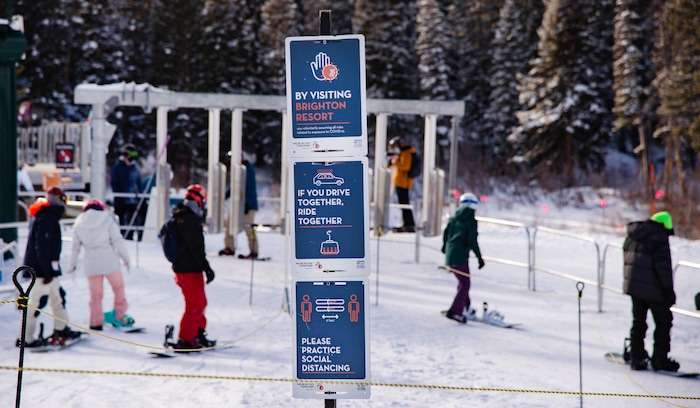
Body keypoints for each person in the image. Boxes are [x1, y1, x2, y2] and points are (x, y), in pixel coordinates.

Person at [16, 187, 82, 347]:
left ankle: (61, 328)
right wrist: (47, 271)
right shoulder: (47, 217)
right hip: (41, 271)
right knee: (36, 303)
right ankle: (25, 338)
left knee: (57, 297)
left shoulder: (48, 215)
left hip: (48, 269)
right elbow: (42, 246)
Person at [623, 211, 680, 372]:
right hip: (655, 290)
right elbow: (663, 267)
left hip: (635, 288)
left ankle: (637, 357)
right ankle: (660, 360)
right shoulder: (659, 237)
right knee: (663, 322)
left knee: (638, 322)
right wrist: (668, 290)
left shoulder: (634, 234)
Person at [67, 200, 133, 331]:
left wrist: (72, 266)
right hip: (109, 261)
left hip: (91, 263)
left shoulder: (79, 223)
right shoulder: (107, 219)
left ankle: (96, 322)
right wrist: (126, 258)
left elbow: (75, 248)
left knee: (95, 295)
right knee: (118, 288)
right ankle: (119, 316)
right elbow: (117, 240)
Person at [169, 184, 216, 351]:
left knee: (199, 303)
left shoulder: (182, 216)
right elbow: (196, 247)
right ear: (199, 201)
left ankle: (197, 332)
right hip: (188, 269)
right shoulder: (189, 219)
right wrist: (207, 268)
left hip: (188, 268)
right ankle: (186, 339)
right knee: (195, 304)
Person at [441, 192, 485, 324]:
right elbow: (472, 241)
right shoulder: (471, 221)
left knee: (462, 283)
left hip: (451, 255)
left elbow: (446, 233)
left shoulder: (454, 218)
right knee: (465, 284)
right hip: (460, 257)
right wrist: (479, 258)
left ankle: (466, 308)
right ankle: (455, 311)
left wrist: (445, 248)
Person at [219, 154, 259, 259]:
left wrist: (247, 204)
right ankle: (229, 247)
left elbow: (250, 188)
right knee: (229, 224)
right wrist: (223, 197)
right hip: (238, 204)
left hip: (247, 205)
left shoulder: (247, 170)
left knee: (249, 228)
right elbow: (234, 187)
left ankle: (254, 251)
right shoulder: (237, 170)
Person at [110, 143, 142, 240]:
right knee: (122, 220)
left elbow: (138, 183)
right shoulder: (117, 168)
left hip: (132, 200)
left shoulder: (135, 168)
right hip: (121, 200)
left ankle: (130, 237)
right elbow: (114, 183)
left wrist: (140, 196)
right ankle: (122, 237)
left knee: (131, 219)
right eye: (132, 155)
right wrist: (118, 196)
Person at [386, 136, 416, 233]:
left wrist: (396, 161)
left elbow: (406, 166)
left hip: (404, 183)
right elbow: (387, 164)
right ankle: (406, 223)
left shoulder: (406, 153)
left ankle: (409, 224)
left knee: (405, 204)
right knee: (403, 204)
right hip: (399, 182)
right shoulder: (400, 154)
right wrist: (391, 159)